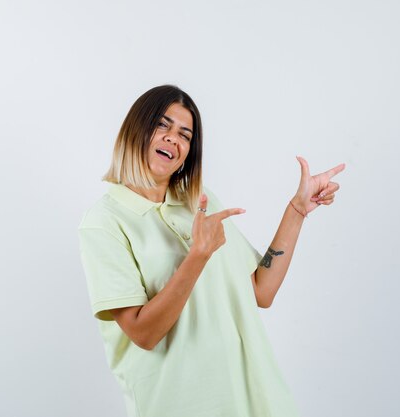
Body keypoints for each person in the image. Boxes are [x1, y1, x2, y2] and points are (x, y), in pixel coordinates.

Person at [77, 84, 345, 417]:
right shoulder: (104, 221)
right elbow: (143, 333)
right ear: (135, 129)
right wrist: (197, 257)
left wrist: (297, 210)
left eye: (185, 135)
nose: (173, 139)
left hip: (250, 398)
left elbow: (261, 291)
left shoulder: (198, 202)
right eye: (162, 125)